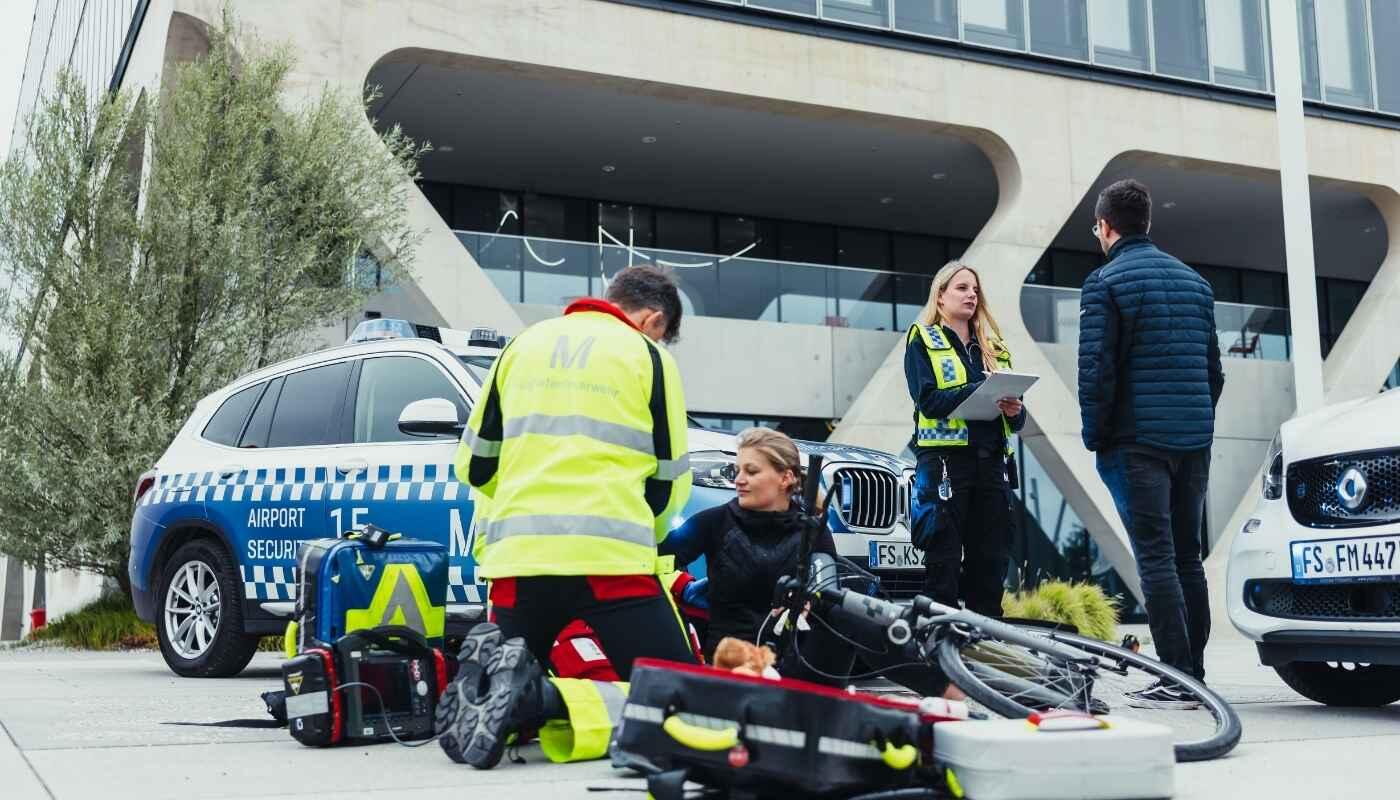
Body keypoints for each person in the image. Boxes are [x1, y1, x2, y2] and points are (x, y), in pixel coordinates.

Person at [437, 265, 697, 769]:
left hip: (518, 564)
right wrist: (650, 533)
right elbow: (670, 478)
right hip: (611, 562)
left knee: (511, 683)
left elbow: (475, 464)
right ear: (653, 320)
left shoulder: (521, 346)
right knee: (682, 704)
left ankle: (508, 695)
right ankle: (540, 701)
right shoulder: (647, 356)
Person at [661, 427, 954, 699]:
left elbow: (827, 591)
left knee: (845, 612)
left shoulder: (813, 530)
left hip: (798, 665)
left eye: (751, 471)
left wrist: (809, 601)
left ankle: (949, 695)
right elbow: (651, 558)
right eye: (738, 470)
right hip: (735, 665)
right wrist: (682, 587)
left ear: (786, 478)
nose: (738, 479)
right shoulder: (712, 523)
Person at [1078, 179, 1223, 706]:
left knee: (1157, 559)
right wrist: (1196, 420)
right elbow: (1214, 373)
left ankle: (1177, 678)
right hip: (1193, 440)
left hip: (1137, 443)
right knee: (1188, 558)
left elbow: (1098, 373)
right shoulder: (1196, 284)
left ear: (1105, 226)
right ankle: (1196, 673)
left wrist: (1097, 438)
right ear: (1147, 224)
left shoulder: (1105, 282)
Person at [905, 262, 1026, 619]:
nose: (971, 294)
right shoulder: (923, 339)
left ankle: (983, 660)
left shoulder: (995, 349)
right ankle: (938, 662)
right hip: (945, 466)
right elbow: (928, 400)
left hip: (992, 467)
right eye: (961, 288)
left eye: (974, 289)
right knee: (942, 567)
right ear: (940, 297)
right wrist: (978, 390)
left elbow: (1018, 422)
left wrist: (1013, 409)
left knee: (989, 570)